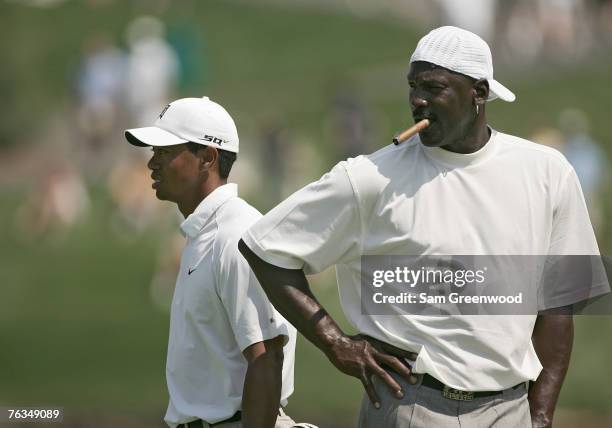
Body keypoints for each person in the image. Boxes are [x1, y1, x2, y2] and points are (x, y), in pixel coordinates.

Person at [238, 27, 604, 427]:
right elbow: (263, 247)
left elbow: (558, 305)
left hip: (510, 410)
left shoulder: (547, 173)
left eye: (433, 88)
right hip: (411, 407)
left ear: (479, 93)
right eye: (413, 86)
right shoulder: (371, 178)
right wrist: (335, 342)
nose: (417, 101)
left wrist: (540, 414)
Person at [124, 96, 297, 428]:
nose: (151, 163)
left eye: (165, 152)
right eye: (153, 152)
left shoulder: (234, 236)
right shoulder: (204, 233)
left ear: (208, 157)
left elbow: (266, 358)